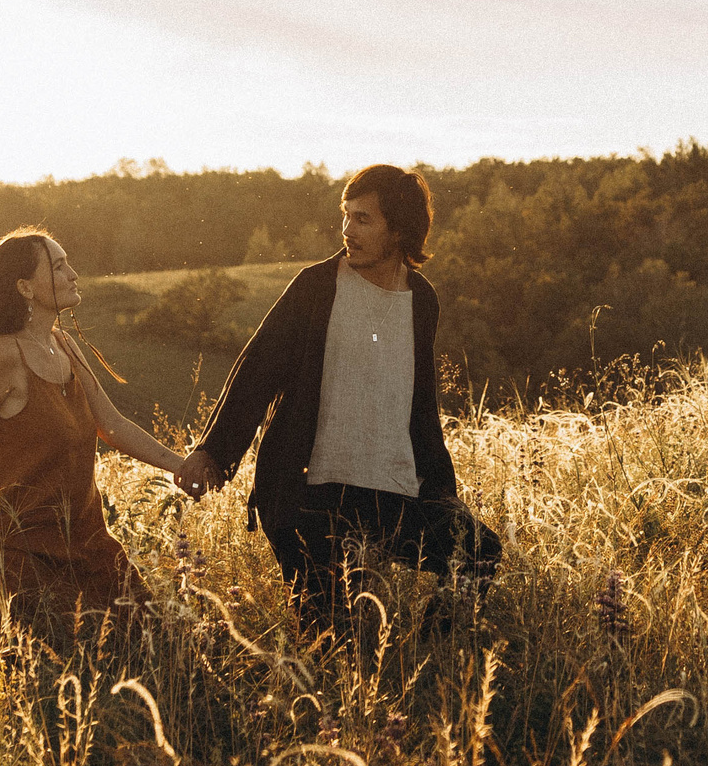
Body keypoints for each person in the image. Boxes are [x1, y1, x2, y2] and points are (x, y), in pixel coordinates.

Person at [180, 164, 500, 648]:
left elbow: (420, 405)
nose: (348, 230)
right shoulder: (317, 286)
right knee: (332, 641)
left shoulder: (422, 300)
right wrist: (214, 452)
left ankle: (425, 659)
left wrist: (441, 491)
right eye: (346, 216)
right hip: (310, 492)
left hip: (388, 491)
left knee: (477, 554)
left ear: (400, 230)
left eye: (364, 219)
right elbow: (258, 368)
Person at [0, 227, 196, 668]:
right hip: (22, 554)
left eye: (67, 263)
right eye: (57, 266)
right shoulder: (1, 356)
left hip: (87, 544)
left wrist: (180, 466)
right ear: (24, 287)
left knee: (159, 654)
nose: (73, 274)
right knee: (39, 676)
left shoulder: (63, 346)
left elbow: (112, 425)